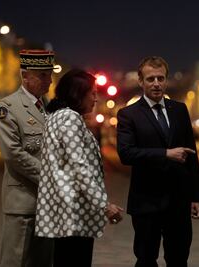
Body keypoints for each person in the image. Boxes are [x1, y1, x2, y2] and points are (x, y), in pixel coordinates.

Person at [116, 56, 199, 267]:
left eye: (160, 78)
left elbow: (192, 154)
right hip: (146, 200)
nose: (156, 83)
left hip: (179, 199)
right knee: (146, 259)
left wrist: (196, 196)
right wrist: (165, 153)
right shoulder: (128, 114)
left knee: (179, 258)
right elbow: (126, 154)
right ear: (141, 82)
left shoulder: (180, 110)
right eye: (150, 79)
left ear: (166, 80)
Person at [34, 69, 123, 267]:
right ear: (77, 93)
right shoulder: (70, 119)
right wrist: (104, 205)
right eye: (92, 93)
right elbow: (80, 168)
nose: (96, 98)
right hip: (74, 213)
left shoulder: (55, 117)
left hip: (61, 211)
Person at [0, 49, 55, 267]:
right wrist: (52, 178)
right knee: (16, 261)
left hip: (48, 204)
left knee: (43, 262)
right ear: (25, 75)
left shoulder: (50, 108)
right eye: (42, 75)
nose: (48, 80)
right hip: (22, 201)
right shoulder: (8, 107)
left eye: (49, 74)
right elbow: (13, 155)